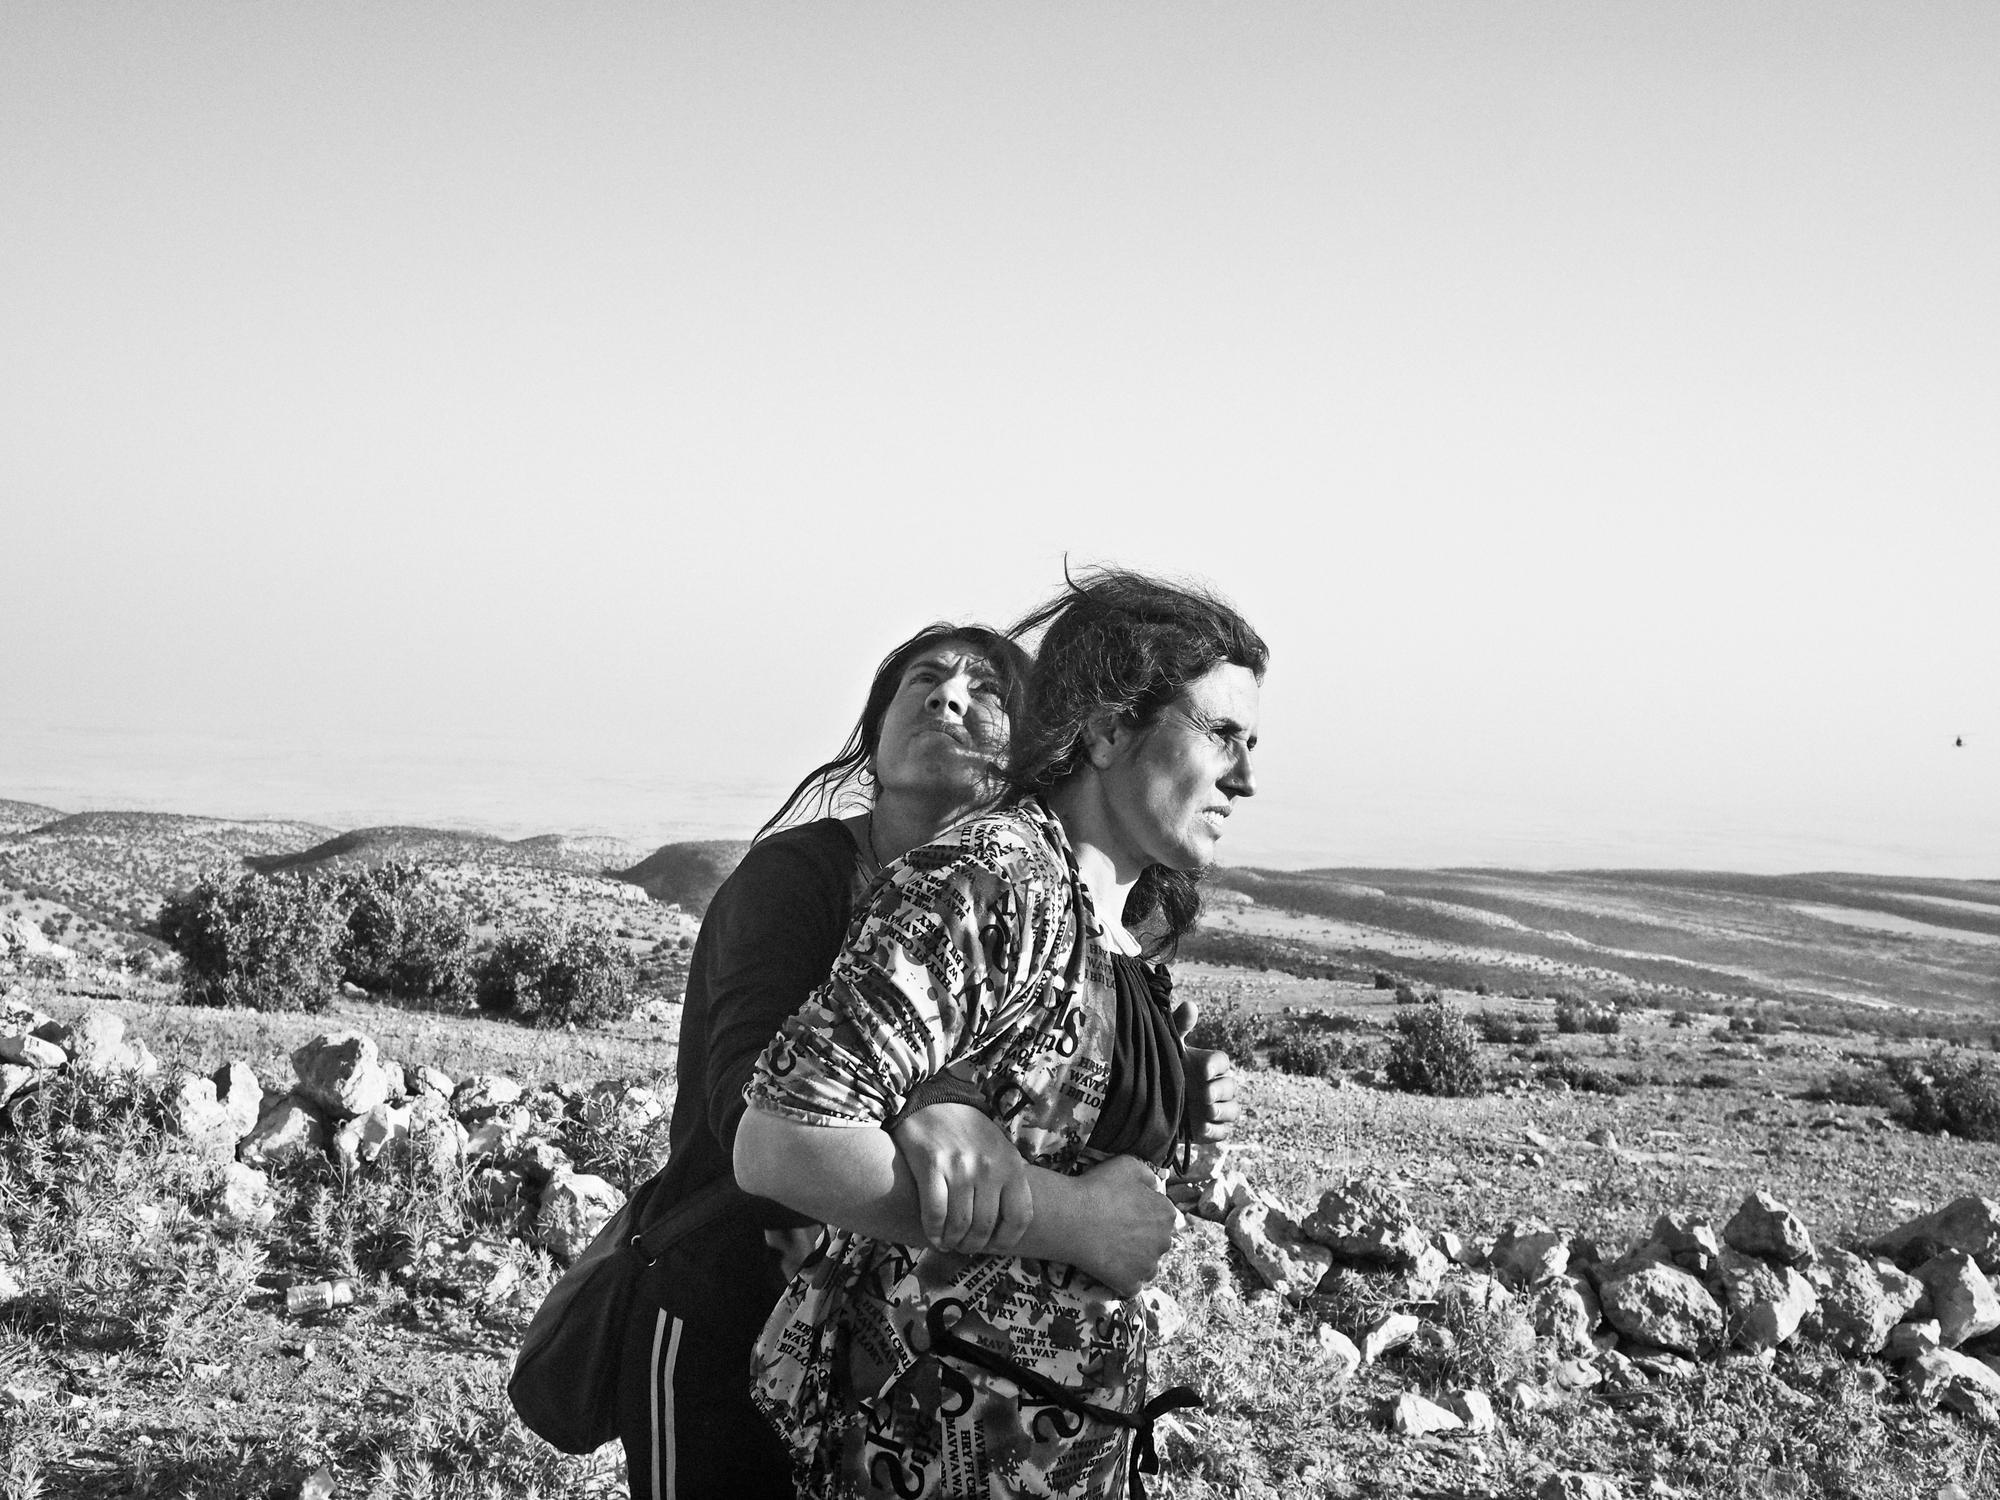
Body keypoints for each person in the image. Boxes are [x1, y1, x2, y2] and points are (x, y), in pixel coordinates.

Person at [736, 567, 1266, 1500]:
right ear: (1106, 729)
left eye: (1251, 742)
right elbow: (781, 1145)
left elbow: (1038, 1107)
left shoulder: (1100, 917)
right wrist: (1079, 1220)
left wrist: (1170, 1094)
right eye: (1222, 734)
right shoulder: (995, 882)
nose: (1247, 778)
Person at [618, 622, 1038, 1500]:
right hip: (727, 1302)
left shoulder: (1017, 916)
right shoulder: (795, 879)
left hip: (900, 1340)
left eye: (987, 690)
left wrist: (1178, 1092)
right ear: (874, 735)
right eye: (923, 679)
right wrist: (928, 1102)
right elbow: (749, 1111)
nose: (948, 695)